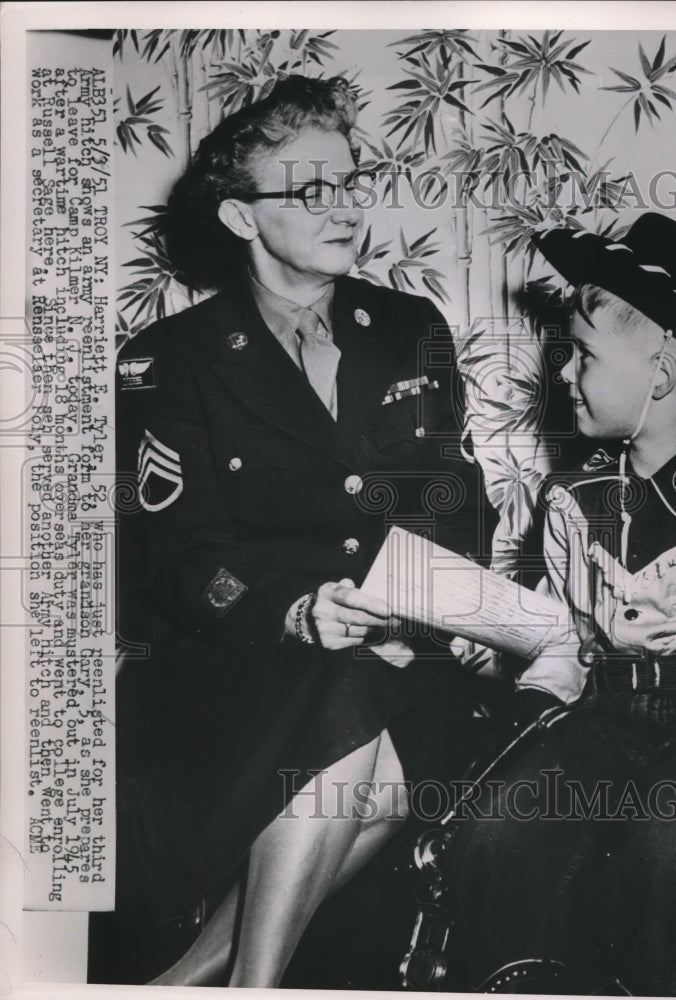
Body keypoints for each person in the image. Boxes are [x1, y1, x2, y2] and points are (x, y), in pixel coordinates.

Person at [113, 75, 490, 988]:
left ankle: (187, 984)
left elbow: (457, 495)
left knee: (403, 720)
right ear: (242, 219)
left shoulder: (405, 326)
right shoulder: (168, 362)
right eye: (310, 189)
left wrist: (426, 619)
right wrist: (294, 614)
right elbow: (177, 560)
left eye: (353, 181)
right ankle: (255, 986)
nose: (346, 205)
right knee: (354, 710)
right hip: (233, 666)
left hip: (389, 653)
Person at [446, 213, 676, 995]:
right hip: (602, 714)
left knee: (667, 843)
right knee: (501, 829)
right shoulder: (573, 498)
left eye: (582, 356)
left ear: (659, 378)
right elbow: (565, 633)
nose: (562, 373)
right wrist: (502, 649)